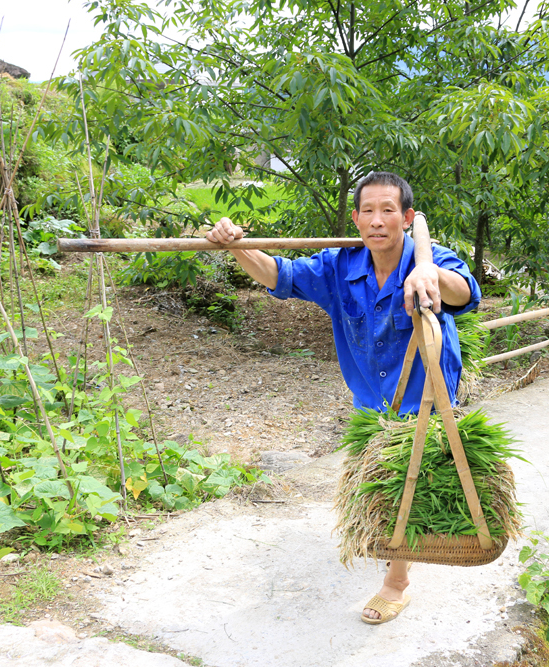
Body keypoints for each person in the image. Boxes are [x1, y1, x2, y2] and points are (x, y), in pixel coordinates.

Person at [205, 171, 481, 624]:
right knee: (384, 485)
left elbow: (466, 294)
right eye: (368, 211)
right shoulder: (339, 266)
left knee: (408, 485)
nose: (377, 220)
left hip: (425, 395)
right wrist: (236, 245)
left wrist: (430, 273)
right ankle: (400, 556)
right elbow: (280, 274)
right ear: (355, 219)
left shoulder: (434, 257)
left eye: (388, 210)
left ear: (406, 218)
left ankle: (397, 582)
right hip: (370, 398)